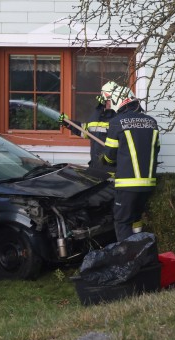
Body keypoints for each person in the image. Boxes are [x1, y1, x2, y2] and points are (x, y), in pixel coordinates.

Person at [102, 85, 160, 242]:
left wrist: (104, 159)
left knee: (122, 221)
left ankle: (128, 260)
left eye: (108, 100)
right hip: (148, 184)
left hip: (127, 185)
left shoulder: (117, 122)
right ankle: (141, 252)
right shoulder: (152, 122)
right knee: (136, 220)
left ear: (116, 100)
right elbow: (156, 149)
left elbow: (109, 156)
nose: (107, 104)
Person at [59, 81, 118, 175]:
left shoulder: (120, 116)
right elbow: (86, 132)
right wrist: (69, 124)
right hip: (95, 167)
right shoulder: (97, 113)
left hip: (112, 171)